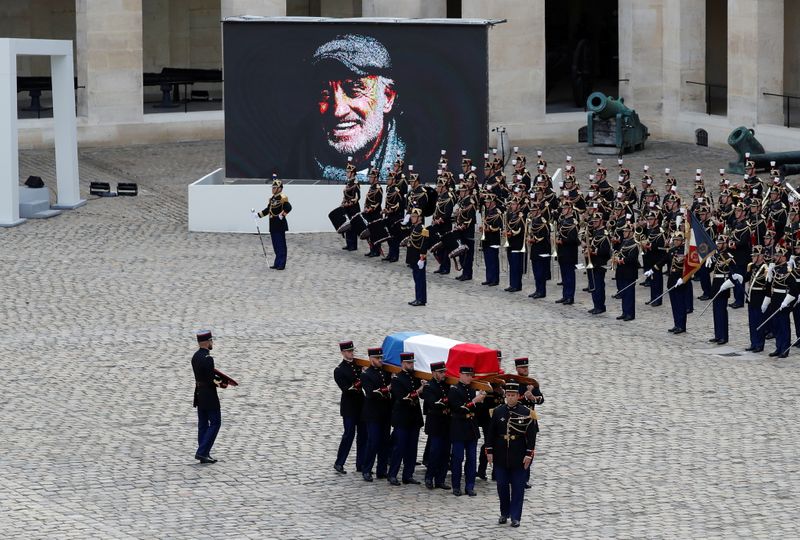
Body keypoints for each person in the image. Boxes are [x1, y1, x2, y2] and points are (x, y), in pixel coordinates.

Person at [289, 34, 406, 181]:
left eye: (354, 90)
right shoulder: (289, 166)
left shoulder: (425, 164)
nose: (338, 111)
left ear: (387, 98)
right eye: (324, 93)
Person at [486, 381, 538, 528]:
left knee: (517, 487)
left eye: (513, 395)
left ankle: (516, 516)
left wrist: (529, 454)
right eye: (508, 395)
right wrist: (489, 451)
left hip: (519, 455)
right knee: (501, 486)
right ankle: (504, 512)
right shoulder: (498, 411)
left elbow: (531, 436)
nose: (510, 398)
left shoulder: (526, 412)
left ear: (518, 396)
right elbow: (491, 433)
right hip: (501, 455)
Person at [387, 352, 424, 485]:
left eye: (412, 362)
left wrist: (425, 387)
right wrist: (420, 389)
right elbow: (403, 398)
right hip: (402, 419)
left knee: (412, 449)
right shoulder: (397, 379)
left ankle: (408, 475)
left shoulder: (415, 377)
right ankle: (392, 474)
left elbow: (423, 396)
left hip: (414, 418)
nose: (411, 365)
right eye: (409, 363)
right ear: (402, 364)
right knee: (399, 448)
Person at [448, 366, 486, 497]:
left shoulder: (472, 389)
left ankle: (470, 486)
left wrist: (481, 400)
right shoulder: (454, 390)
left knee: (472, 459)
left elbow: (477, 411)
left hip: (471, 429)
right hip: (459, 428)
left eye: (471, 375)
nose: (470, 377)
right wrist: (475, 401)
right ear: (460, 375)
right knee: (457, 459)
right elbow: (458, 409)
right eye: (467, 375)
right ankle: (456, 486)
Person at [333, 340, 366, 474]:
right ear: (342, 353)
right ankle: (339, 462)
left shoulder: (358, 365)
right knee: (349, 434)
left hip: (362, 404)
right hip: (349, 407)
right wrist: (363, 377)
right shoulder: (339, 370)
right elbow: (348, 390)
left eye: (352, 351)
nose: (351, 353)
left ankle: (361, 464)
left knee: (363, 435)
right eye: (348, 351)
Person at [360, 347, 393, 481]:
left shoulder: (386, 372)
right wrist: (387, 389)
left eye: (381, 358)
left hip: (385, 412)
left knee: (384, 442)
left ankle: (382, 470)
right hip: (373, 414)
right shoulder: (366, 374)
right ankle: (366, 469)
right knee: (373, 442)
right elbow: (371, 393)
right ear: (371, 359)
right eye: (378, 358)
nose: (380, 360)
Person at [192, 330, 223, 464]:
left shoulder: (195, 356)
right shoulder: (208, 358)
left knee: (203, 424)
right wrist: (222, 381)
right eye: (211, 341)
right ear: (207, 342)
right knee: (215, 422)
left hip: (199, 393)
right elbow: (211, 379)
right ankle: (202, 452)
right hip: (209, 395)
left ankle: (204, 452)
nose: (212, 343)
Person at [514, 357, 544, 489]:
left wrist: (532, 397)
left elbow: (541, 399)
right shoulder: (513, 382)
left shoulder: (532, 383)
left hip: (531, 422)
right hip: (516, 421)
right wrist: (525, 396)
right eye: (522, 368)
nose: (525, 369)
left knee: (529, 450)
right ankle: (515, 476)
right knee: (516, 450)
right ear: (517, 369)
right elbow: (510, 400)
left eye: (526, 367)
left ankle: (525, 478)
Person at [421, 361, 451, 490]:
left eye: (444, 371)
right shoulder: (429, 386)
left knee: (445, 454)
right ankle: (429, 477)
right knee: (434, 453)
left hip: (447, 425)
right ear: (433, 373)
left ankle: (440, 480)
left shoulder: (447, 385)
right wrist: (446, 404)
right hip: (435, 425)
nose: (444, 374)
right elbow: (434, 404)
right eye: (441, 372)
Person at [255, 177, 292, 270]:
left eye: (275, 187)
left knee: (281, 245)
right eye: (272, 187)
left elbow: (289, 207)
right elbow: (268, 210)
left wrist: (282, 215)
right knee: (275, 245)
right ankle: (277, 263)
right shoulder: (272, 199)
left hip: (280, 224)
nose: (273, 189)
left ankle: (282, 264)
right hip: (273, 225)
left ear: (280, 188)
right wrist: (258, 215)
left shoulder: (283, 198)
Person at [404, 207, 429, 306]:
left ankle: (420, 299)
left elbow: (424, 245)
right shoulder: (413, 227)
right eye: (412, 216)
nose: (412, 218)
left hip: (419, 258)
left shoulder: (423, 229)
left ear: (419, 218)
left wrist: (422, 259)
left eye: (414, 216)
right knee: (416, 278)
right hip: (413, 257)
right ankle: (419, 298)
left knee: (420, 279)